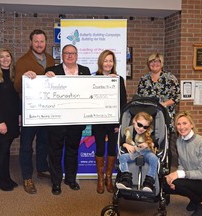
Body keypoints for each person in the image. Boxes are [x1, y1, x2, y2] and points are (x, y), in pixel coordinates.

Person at [45, 44, 91, 195]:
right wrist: (46, 80)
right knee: (55, 152)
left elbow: (90, 91)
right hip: (57, 120)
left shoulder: (85, 71)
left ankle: (71, 179)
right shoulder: (52, 71)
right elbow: (45, 92)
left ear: (77, 55)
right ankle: (56, 181)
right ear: (62, 55)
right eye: (66, 53)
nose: (70, 56)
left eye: (72, 53)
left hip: (76, 120)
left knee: (72, 150)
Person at [14, 29, 55, 194]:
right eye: (36, 41)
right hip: (30, 110)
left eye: (42, 41)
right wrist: (24, 76)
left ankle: (42, 167)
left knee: (44, 141)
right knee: (26, 145)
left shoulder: (51, 59)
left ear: (46, 43)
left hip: (47, 109)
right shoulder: (23, 61)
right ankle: (27, 177)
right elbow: (16, 86)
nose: (39, 44)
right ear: (30, 42)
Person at [164, 111, 202, 216]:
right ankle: (195, 198)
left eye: (185, 123)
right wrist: (174, 176)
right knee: (166, 184)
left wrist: (178, 175)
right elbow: (181, 164)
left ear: (192, 125)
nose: (181, 127)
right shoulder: (179, 141)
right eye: (178, 124)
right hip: (192, 178)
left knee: (177, 183)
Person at [136, 53, 180, 169]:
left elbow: (176, 97)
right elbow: (139, 97)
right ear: (148, 64)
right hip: (148, 118)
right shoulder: (144, 79)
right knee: (148, 143)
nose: (154, 64)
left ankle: (165, 170)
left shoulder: (170, 78)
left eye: (157, 61)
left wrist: (162, 105)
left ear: (161, 63)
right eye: (152, 61)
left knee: (164, 144)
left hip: (165, 116)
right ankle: (149, 169)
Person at [92, 50, 127, 194]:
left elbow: (123, 103)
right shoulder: (94, 78)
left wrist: (120, 123)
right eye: (105, 61)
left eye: (110, 61)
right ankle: (100, 179)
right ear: (101, 62)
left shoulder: (119, 80)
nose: (108, 63)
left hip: (113, 122)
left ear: (114, 63)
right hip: (99, 120)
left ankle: (109, 178)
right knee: (100, 149)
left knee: (112, 149)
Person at [0, 48, 20, 191]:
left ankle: (6, 177)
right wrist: (1, 122)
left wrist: (19, 115)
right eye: (2, 57)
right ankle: (0, 180)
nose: (5, 59)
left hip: (12, 118)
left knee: (6, 150)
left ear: (11, 59)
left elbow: (16, 99)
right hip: (1, 120)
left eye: (7, 56)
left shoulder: (13, 75)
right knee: (3, 149)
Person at [116, 112, 158, 192]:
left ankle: (149, 182)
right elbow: (121, 142)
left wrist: (147, 144)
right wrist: (126, 145)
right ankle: (126, 180)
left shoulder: (149, 132)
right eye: (139, 125)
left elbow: (156, 143)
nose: (141, 128)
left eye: (145, 127)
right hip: (134, 153)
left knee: (154, 158)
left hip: (146, 153)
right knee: (122, 157)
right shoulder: (128, 131)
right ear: (134, 121)